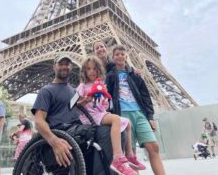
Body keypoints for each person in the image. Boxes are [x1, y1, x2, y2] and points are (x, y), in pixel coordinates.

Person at [31, 53, 126, 175]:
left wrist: (95, 99)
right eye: (61, 64)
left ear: (71, 68)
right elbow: (39, 122)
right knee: (106, 132)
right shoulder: (47, 90)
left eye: (67, 64)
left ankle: (110, 167)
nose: (64, 66)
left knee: (119, 129)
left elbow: (74, 106)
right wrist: (54, 141)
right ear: (54, 67)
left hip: (80, 127)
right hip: (63, 131)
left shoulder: (73, 91)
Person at [77, 56, 146, 174]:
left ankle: (129, 155)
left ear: (98, 69)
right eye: (88, 69)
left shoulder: (100, 84)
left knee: (127, 122)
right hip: (90, 116)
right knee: (116, 120)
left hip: (100, 113)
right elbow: (75, 105)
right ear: (84, 71)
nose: (92, 71)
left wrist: (104, 102)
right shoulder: (82, 86)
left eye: (94, 69)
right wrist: (86, 100)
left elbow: (105, 106)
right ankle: (117, 157)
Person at [106, 45, 166, 175]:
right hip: (122, 115)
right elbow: (107, 96)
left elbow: (145, 95)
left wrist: (150, 116)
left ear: (126, 56)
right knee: (130, 153)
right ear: (113, 58)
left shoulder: (134, 74)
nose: (120, 56)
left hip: (140, 113)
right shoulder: (110, 76)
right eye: (117, 54)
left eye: (122, 54)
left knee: (154, 146)